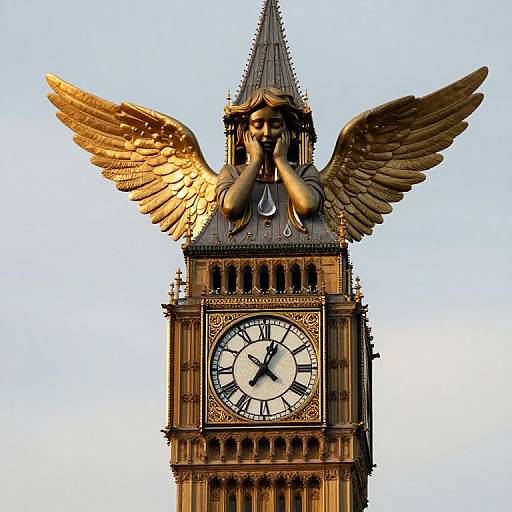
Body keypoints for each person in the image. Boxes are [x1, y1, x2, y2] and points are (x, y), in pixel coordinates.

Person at [216, 87, 324, 235]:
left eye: (275, 125)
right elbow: (230, 207)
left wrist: (281, 160)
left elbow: (307, 205)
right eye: (258, 125)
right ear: (246, 131)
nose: (267, 133)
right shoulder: (231, 173)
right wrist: (256, 160)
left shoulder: (305, 173)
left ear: (287, 130)